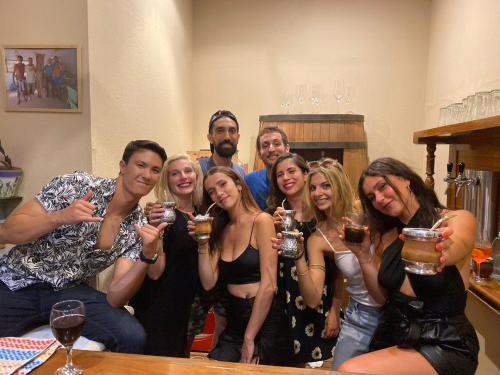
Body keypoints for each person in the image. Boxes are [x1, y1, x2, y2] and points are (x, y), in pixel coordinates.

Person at [0, 140, 168, 354]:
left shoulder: (138, 226)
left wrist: (146, 256)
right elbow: (7, 231)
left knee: (132, 336)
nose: (147, 175)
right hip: (17, 283)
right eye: (141, 165)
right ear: (123, 166)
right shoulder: (77, 185)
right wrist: (59, 217)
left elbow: (116, 296)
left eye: (155, 170)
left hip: (69, 293)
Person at [338, 157, 479, 375]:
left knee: (349, 370)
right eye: (371, 197)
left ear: (405, 180)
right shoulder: (387, 236)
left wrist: (440, 250)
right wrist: (364, 256)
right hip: (397, 337)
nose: (379, 199)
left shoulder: (453, 220)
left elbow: (458, 244)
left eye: (382, 187)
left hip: (444, 341)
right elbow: (381, 298)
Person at [274, 159, 383, 369]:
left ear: (339, 185)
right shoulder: (317, 238)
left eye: (326, 185)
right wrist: (298, 256)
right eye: (313, 188)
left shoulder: (367, 216)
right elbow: (313, 298)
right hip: (358, 314)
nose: (318, 193)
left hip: (391, 309)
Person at [191, 166, 281, 364]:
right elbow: (208, 282)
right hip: (234, 317)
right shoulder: (220, 228)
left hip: (262, 318)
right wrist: (203, 242)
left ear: (239, 185)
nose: (218, 193)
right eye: (211, 191)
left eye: (223, 184)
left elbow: (269, 284)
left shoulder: (262, 221)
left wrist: (249, 338)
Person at [130, 154, 204, 357]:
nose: (183, 177)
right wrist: (157, 232)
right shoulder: (159, 214)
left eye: (188, 171)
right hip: (159, 303)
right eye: (175, 173)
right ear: (167, 180)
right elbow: (154, 273)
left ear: (197, 175)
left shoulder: (202, 214)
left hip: (187, 304)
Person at [267, 153, 337, 365]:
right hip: (283, 299)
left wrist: (334, 309)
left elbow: (338, 267)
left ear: (306, 174)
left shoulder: (323, 213)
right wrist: (272, 226)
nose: (285, 177)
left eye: (291, 171)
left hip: (317, 299)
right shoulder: (274, 215)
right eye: (279, 174)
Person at [245, 127, 290, 210]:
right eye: (265, 145)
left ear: (287, 148)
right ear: (259, 153)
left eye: (276, 144)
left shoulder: (298, 179)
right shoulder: (250, 181)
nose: (271, 149)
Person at [198, 110, 245, 176]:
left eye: (232, 131)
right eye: (220, 131)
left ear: (238, 138)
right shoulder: (198, 170)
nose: (227, 137)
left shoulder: (240, 173)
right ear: (210, 138)